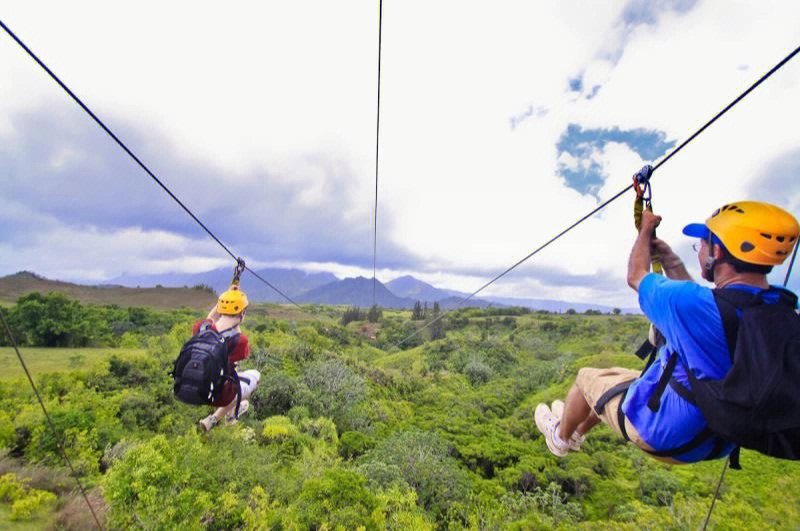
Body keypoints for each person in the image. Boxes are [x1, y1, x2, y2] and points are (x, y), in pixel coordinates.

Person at [534, 200, 799, 463]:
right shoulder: (778, 308)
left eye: (703, 243)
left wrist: (644, 231)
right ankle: (579, 430)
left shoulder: (693, 304)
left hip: (666, 432)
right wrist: (670, 260)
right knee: (619, 377)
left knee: (585, 379)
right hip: (716, 438)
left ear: (716, 252)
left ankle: (560, 437)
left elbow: (636, 275)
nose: (700, 249)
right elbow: (709, 310)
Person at [195, 285, 261, 432]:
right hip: (220, 394)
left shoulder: (202, 328)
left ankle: (222, 416)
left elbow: (210, 318)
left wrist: (226, 300)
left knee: (236, 379)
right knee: (255, 377)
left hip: (198, 389)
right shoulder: (239, 341)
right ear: (242, 313)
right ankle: (218, 418)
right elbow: (241, 348)